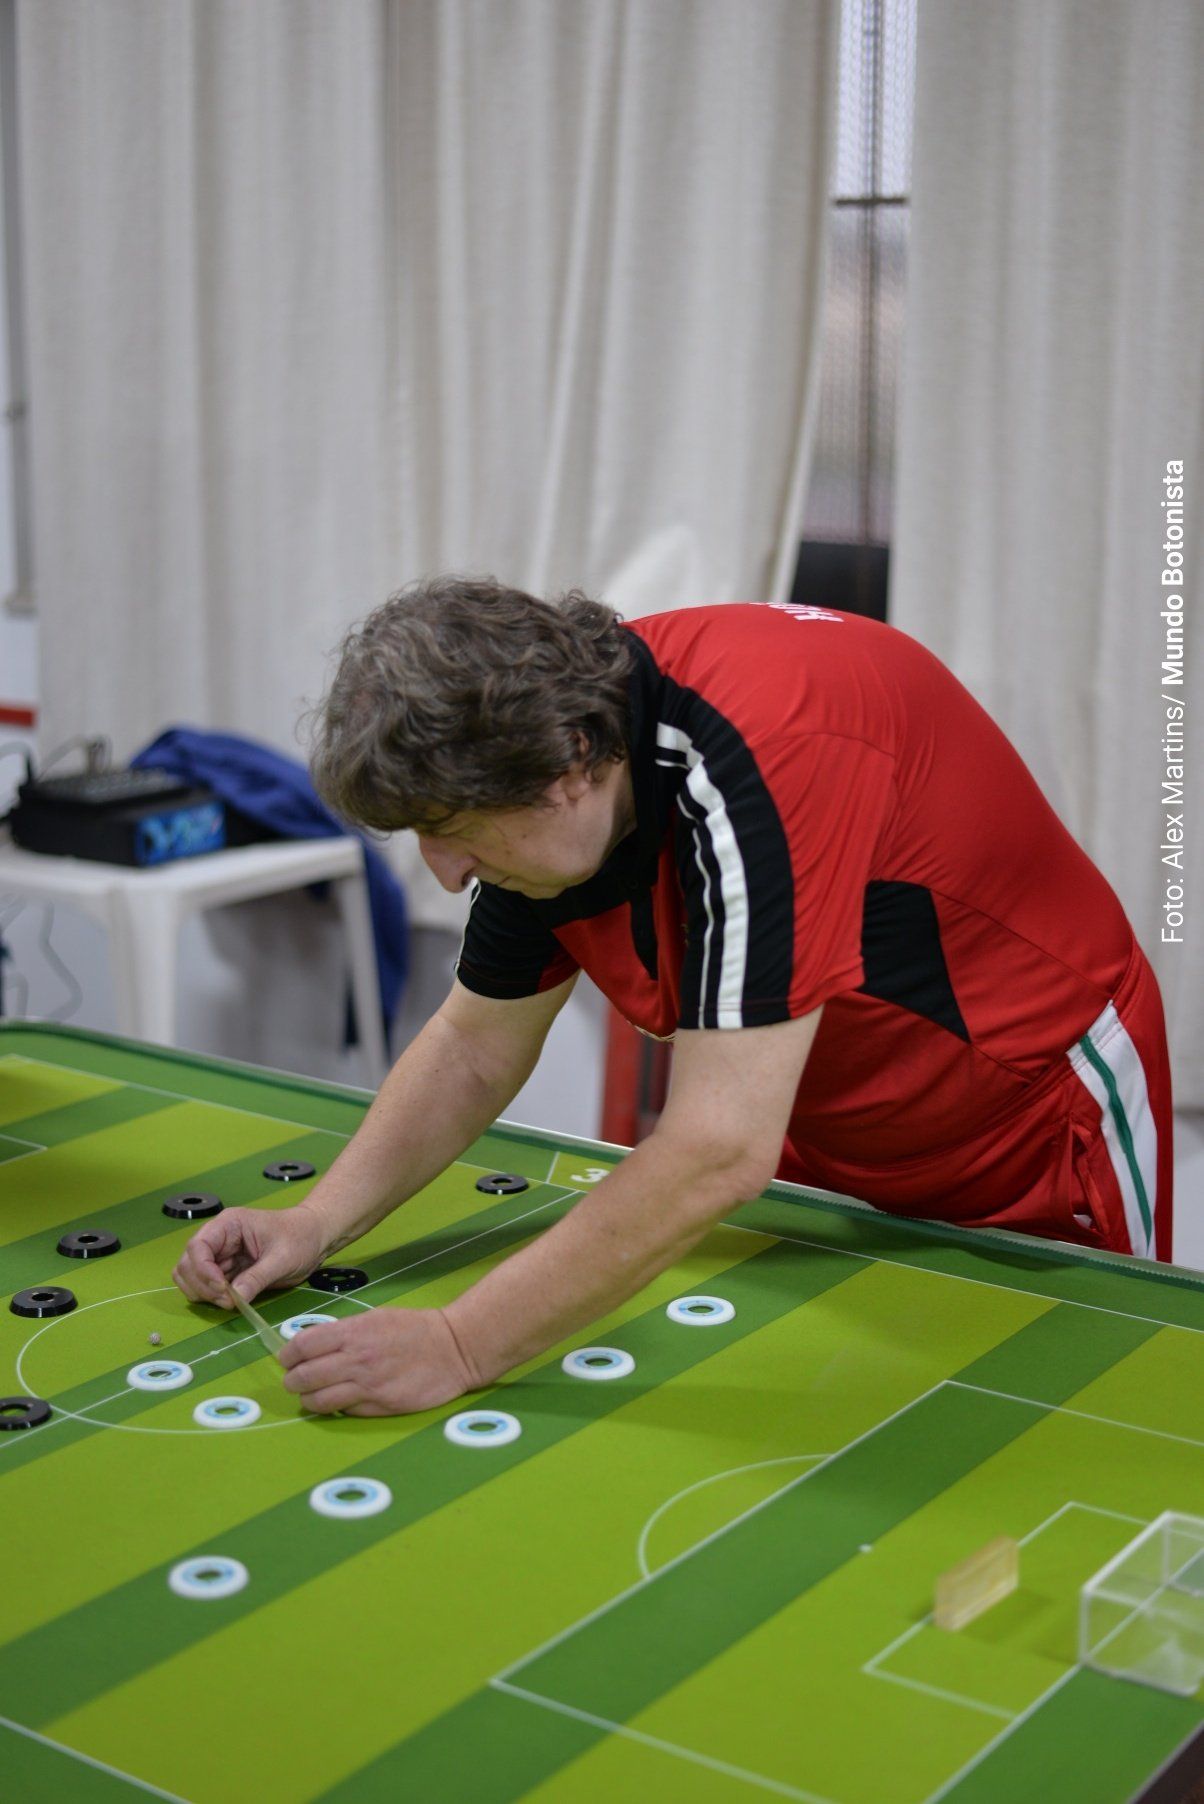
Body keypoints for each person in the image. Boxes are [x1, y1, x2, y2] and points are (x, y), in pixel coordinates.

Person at [172, 577, 1174, 1416]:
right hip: (822, 1133)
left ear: (568, 768)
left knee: (1094, 1409)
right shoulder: (537, 777)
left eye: (452, 829)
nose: (444, 872)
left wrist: (460, 1343)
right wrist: (317, 1221)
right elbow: (475, 1045)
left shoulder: (763, 746)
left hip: (1033, 1116)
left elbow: (717, 1148)